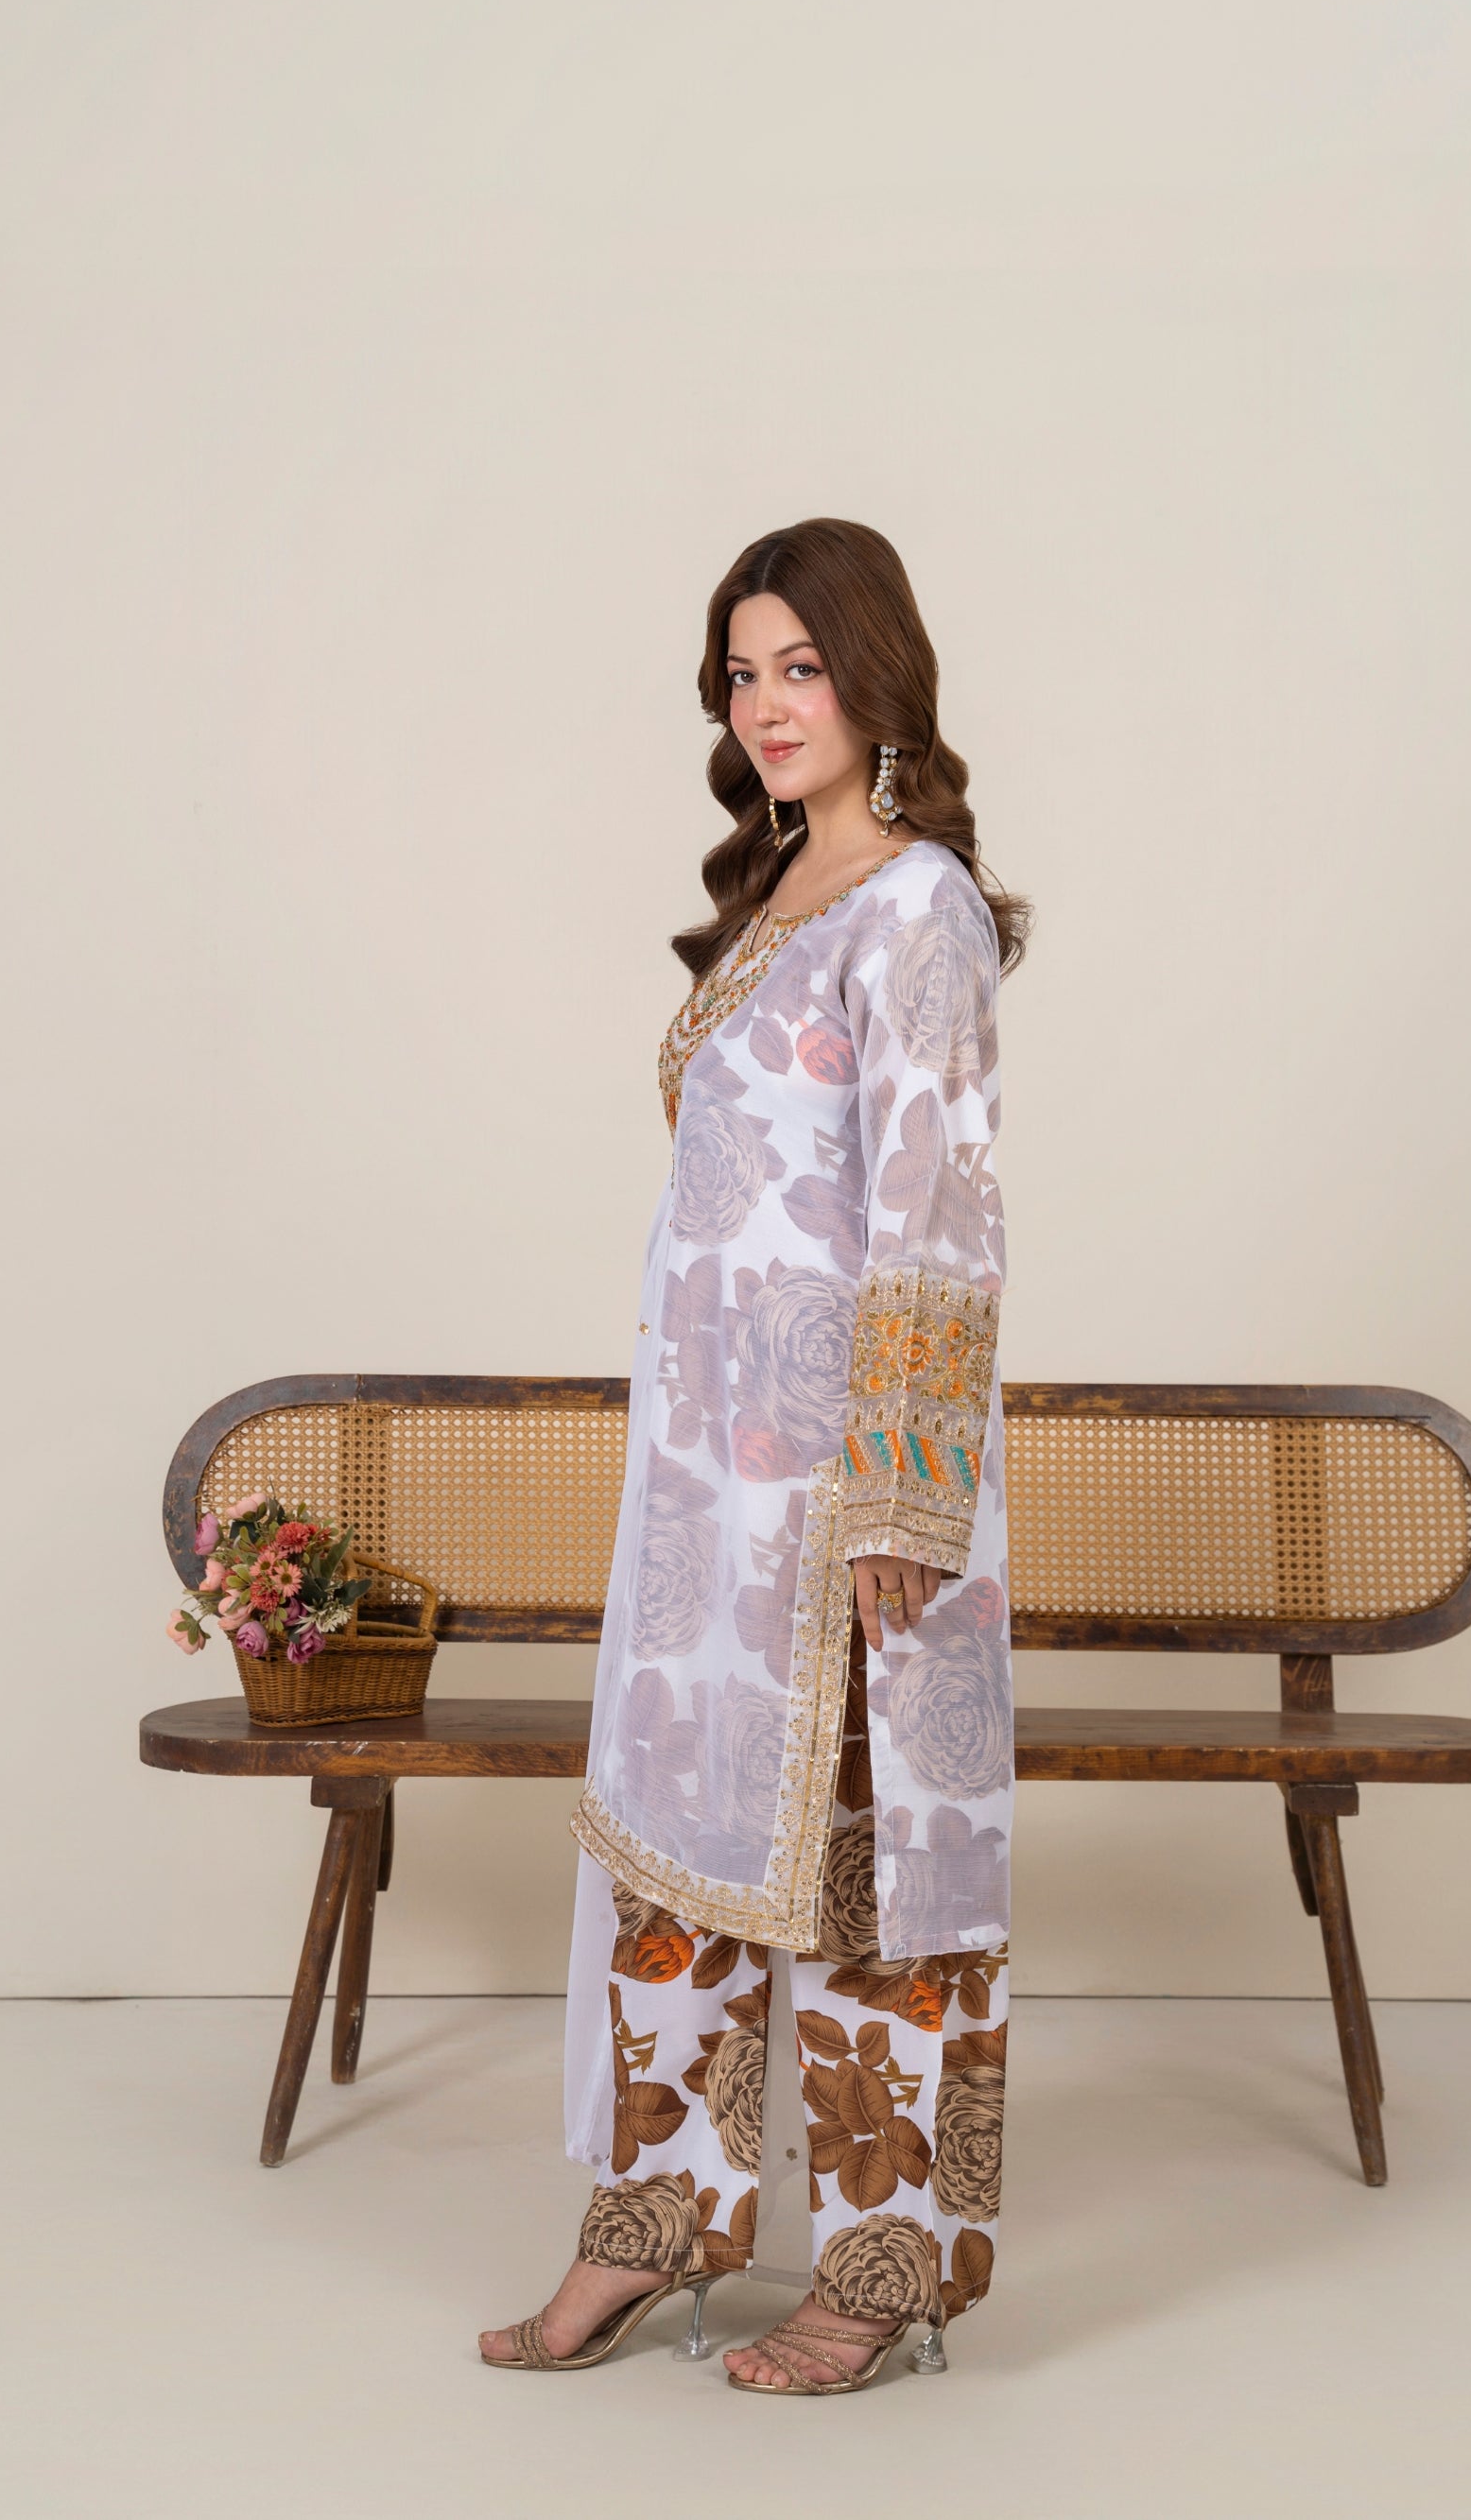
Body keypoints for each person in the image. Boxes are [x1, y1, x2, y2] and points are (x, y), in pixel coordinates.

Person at [480, 517, 1030, 2393]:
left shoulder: (918, 909)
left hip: (853, 1485)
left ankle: (879, 2270)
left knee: (876, 1884)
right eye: (741, 672)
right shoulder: (783, 888)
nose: (769, 703)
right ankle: (650, 2230)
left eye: (802, 665)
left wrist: (900, 1497)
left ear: (877, 676)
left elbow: (937, 1215)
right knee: (679, 1854)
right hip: (712, 1491)